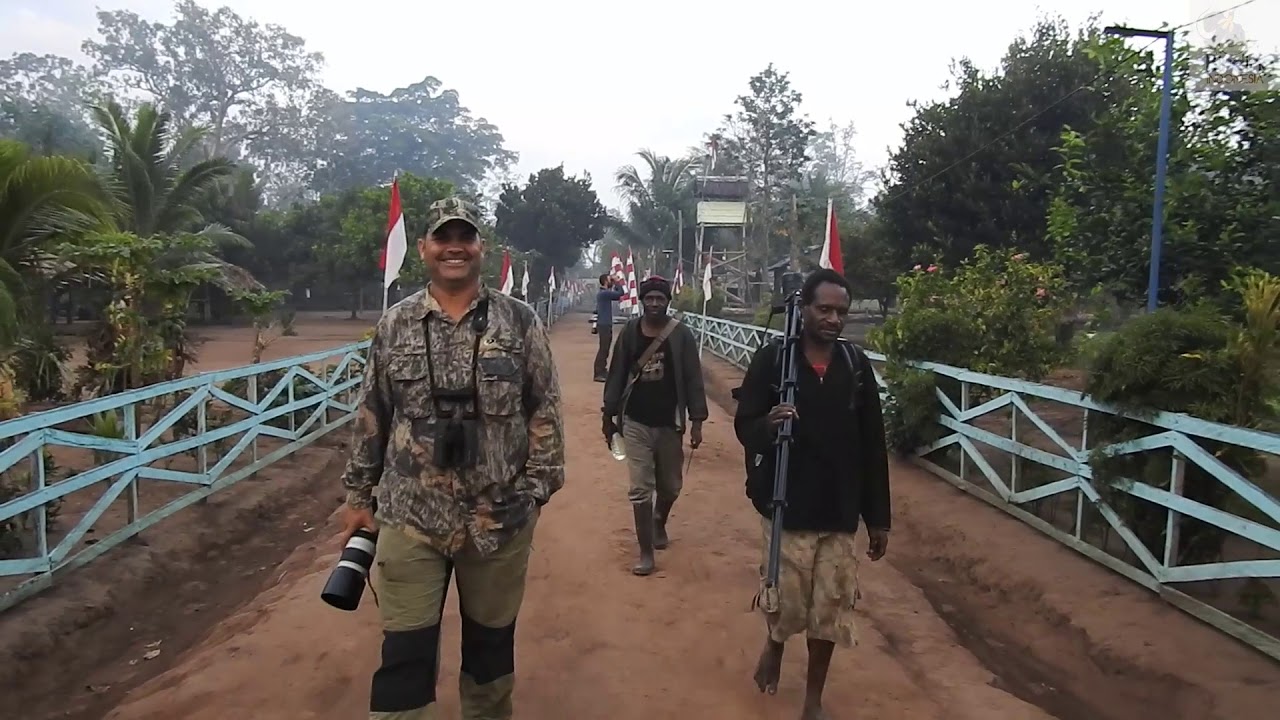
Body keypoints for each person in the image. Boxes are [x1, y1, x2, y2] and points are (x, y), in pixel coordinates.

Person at [339, 196, 565, 720]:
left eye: (465, 237)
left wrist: (534, 491)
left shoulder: (519, 322)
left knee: (489, 658)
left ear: (480, 248)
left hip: (499, 519)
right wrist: (357, 496)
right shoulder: (395, 324)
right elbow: (372, 412)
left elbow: (545, 410)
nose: (454, 248)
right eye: (443, 238)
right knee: (404, 659)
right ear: (424, 249)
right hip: (410, 517)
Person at [732, 268, 891, 720]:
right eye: (824, 309)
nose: (833, 319)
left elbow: (872, 443)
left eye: (841, 311)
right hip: (787, 502)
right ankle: (776, 642)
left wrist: (878, 517)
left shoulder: (855, 367)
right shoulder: (773, 361)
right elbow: (745, 426)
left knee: (830, 606)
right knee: (787, 599)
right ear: (803, 310)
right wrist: (768, 424)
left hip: (839, 509)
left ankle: (813, 697)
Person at [601, 275, 709, 576]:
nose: (654, 304)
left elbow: (693, 378)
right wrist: (608, 414)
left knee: (671, 486)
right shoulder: (630, 333)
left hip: (670, 422)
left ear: (667, 302)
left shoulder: (681, 335)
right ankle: (646, 552)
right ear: (642, 301)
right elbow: (617, 373)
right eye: (649, 298)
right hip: (635, 421)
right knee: (640, 488)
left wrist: (697, 420)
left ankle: (660, 519)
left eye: (660, 299)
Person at [593, 273, 626, 381]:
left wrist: (614, 281)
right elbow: (620, 293)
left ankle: (602, 370)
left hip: (605, 323)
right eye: (609, 279)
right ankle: (598, 373)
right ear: (606, 281)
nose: (611, 280)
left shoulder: (604, 293)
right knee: (603, 349)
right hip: (604, 324)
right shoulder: (604, 293)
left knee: (605, 348)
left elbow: (617, 294)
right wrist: (617, 281)